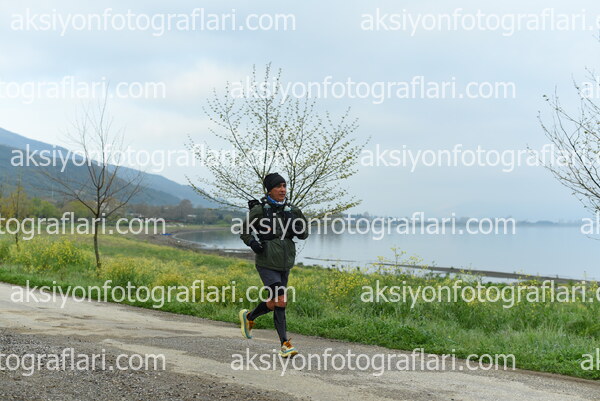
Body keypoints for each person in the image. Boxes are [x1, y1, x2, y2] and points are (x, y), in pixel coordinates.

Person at [238, 173, 309, 358]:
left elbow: (304, 234)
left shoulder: (293, 210)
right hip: (266, 263)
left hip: (285, 263)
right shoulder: (260, 210)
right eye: (278, 186)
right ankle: (285, 344)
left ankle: (249, 317)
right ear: (269, 190)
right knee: (281, 299)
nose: (282, 190)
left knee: (273, 303)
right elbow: (244, 230)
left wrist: (298, 228)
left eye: (284, 186)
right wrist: (253, 243)